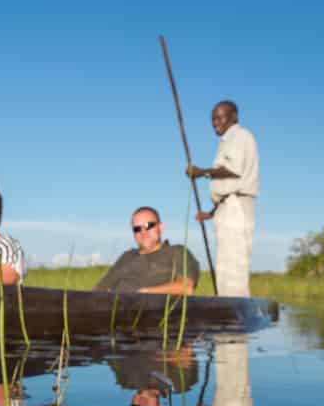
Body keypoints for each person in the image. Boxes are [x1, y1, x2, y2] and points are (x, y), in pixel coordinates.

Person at [186, 100, 260, 297]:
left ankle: (234, 312)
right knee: (225, 268)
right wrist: (211, 213)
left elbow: (233, 172)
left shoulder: (241, 136)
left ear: (234, 117)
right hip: (227, 207)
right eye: (212, 119)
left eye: (219, 117)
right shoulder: (227, 141)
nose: (215, 122)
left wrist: (202, 172)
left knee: (234, 268)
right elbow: (227, 189)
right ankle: (227, 313)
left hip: (236, 206)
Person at [93, 207, 200, 294]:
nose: (143, 232)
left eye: (149, 226)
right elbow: (100, 289)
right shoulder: (127, 256)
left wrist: (144, 293)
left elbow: (186, 287)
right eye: (137, 229)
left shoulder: (176, 252)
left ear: (160, 227)